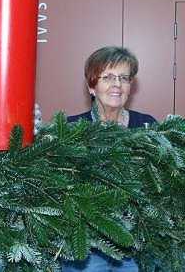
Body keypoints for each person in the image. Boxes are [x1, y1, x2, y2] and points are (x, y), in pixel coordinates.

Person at [63, 46, 156, 272]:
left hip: (134, 248)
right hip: (85, 250)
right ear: (92, 86)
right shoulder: (71, 128)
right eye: (108, 77)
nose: (117, 84)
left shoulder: (147, 126)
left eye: (124, 78)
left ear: (130, 87)